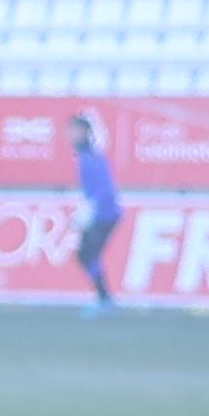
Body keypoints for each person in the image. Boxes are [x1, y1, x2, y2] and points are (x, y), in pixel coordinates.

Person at [74, 110, 128, 313]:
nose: (72, 135)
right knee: (86, 255)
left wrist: (89, 211)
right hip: (99, 214)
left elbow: (105, 189)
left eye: (77, 131)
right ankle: (104, 299)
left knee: (87, 254)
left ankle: (104, 300)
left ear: (87, 132)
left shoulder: (92, 156)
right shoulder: (84, 155)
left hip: (105, 215)